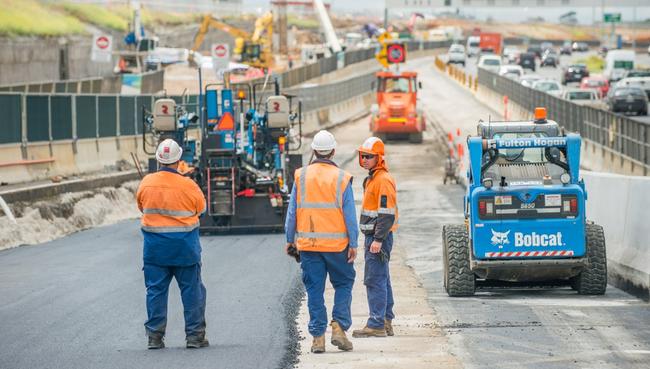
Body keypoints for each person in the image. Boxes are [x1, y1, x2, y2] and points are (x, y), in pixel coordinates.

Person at [285, 130, 359, 353]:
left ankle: (318, 338)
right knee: (344, 283)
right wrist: (353, 243)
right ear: (333, 151)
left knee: (315, 290)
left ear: (314, 151)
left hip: (309, 246)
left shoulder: (301, 176)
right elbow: (350, 216)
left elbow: (292, 212)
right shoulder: (342, 178)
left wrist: (290, 239)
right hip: (338, 247)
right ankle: (339, 326)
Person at [136, 139, 209, 350]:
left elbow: (142, 207)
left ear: (158, 160)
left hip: (155, 250)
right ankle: (195, 337)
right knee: (192, 291)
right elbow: (201, 209)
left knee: (156, 291)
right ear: (179, 160)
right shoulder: (188, 185)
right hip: (185, 250)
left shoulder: (146, 183)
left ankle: (155, 338)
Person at [352, 137, 398, 338]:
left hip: (378, 237)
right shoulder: (374, 178)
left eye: (369, 157)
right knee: (383, 278)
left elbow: (387, 213)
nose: (364, 160)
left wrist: (378, 240)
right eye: (363, 156)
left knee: (374, 279)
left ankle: (377, 323)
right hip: (376, 236)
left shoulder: (382, 180)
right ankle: (386, 320)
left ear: (379, 158)